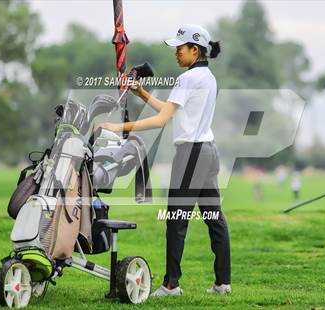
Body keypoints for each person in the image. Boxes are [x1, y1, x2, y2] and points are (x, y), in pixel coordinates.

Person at [100, 24, 231, 296]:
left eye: (180, 48)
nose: (176, 53)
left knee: (176, 221)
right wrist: (144, 95)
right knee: (214, 218)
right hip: (208, 151)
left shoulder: (187, 79)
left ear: (195, 49)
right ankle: (223, 283)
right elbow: (171, 112)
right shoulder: (207, 77)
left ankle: (171, 285)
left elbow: (161, 120)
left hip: (190, 156)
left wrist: (118, 128)